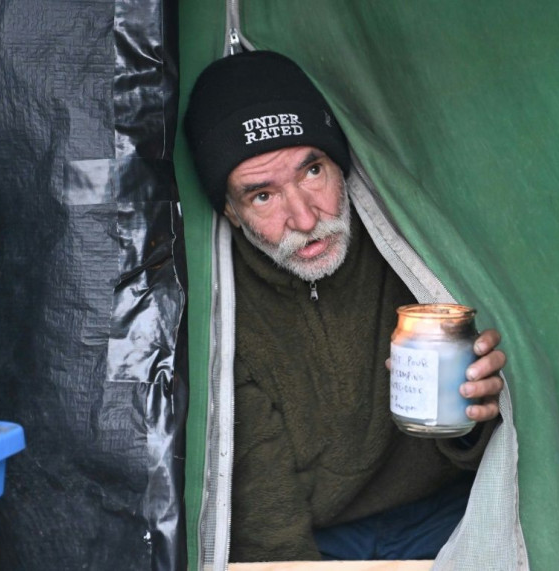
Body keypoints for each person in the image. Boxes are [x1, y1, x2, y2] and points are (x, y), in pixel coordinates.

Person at [184, 50, 505, 562]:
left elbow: (487, 441)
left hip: (450, 511)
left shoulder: (419, 247)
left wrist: (477, 414)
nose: (306, 219)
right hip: (321, 539)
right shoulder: (220, 310)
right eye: (262, 196)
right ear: (230, 210)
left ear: (341, 164)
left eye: (312, 171)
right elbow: (268, 527)